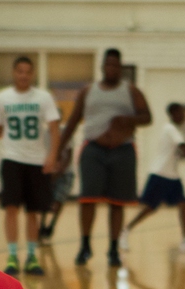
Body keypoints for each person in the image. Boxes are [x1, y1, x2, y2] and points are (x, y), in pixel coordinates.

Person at [56, 49, 151, 268]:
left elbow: (147, 117)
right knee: (87, 199)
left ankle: (113, 248)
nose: (112, 69)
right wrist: (58, 150)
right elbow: (72, 121)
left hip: (123, 149)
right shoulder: (88, 91)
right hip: (94, 149)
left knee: (117, 202)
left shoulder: (131, 91)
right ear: (103, 67)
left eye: (116, 65)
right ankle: (85, 245)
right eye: (108, 65)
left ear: (121, 67)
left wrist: (127, 120)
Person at [0, 56, 60, 275]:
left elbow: (55, 128)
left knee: (33, 212)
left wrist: (52, 156)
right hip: (11, 159)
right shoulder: (1, 98)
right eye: (20, 71)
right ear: (13, 73)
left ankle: (31, 257)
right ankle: (12, 257)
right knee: (11, 209)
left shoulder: (43, 97)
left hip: (36, 161)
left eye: (28, 72)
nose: (24, 75)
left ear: (33, 74)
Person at [123, 103, 185, 253]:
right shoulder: (170, 129)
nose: (184, 116)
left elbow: (184, 153)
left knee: (184, 204)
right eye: (181, 113)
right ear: (173, 114)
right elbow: (184, 149)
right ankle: (125, 231)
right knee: (149, 208)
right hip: (160, 173)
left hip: (172, 175)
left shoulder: (176, 131)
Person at [38, 144, 74, 243]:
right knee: (45, 199)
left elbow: (69, 154)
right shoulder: (46, 132)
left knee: (59, 200)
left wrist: (59, 170)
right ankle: (42, 225)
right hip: (49, 171)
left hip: (65, 173)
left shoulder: (66, 133)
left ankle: (51, 225)